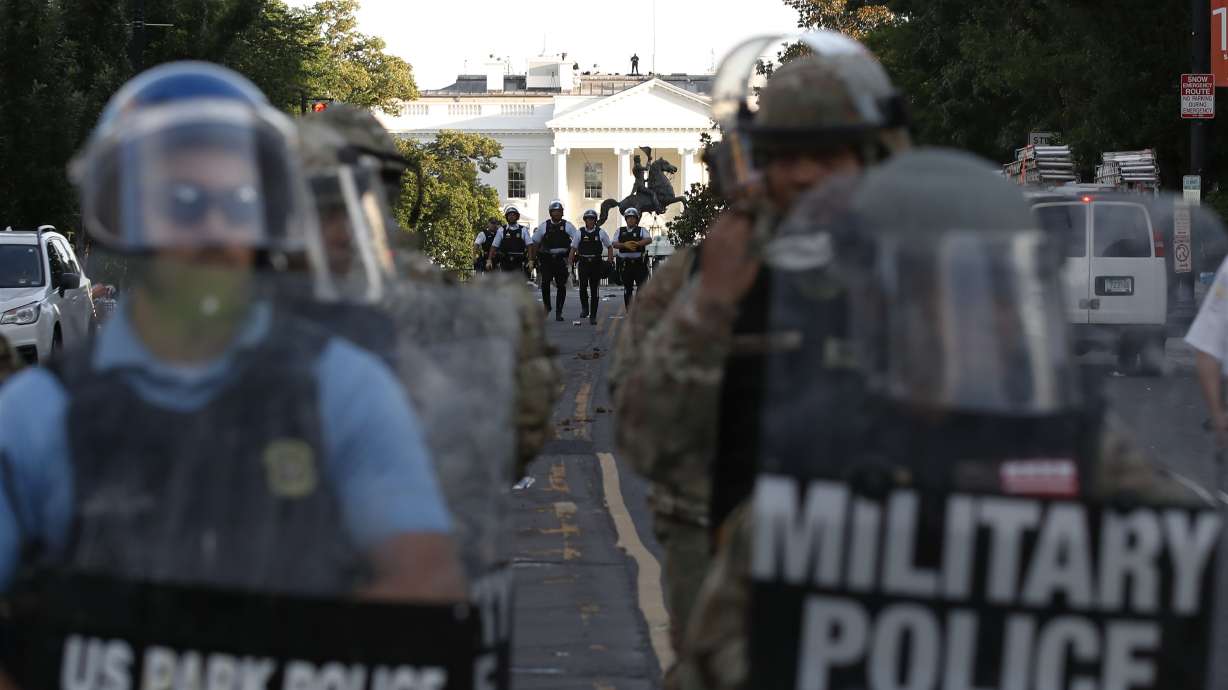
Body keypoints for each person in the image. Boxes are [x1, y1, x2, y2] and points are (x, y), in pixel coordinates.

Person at [676, 148, 1208, 690]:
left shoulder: (1086, 458)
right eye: (939, 297)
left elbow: (1185, 588)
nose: (973, 321)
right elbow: (718, 661)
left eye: (995, 293)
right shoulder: (815, 485)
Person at [0, 63, 465, 606]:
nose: (213, 228)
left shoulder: (344, 390)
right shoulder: (37, 416)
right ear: (119, 212)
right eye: (183, 201)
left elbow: (424, 583)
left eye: (240, 202)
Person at [608, 34, 912, 687]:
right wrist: (713, 305)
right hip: (723, 573)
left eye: (827, 155)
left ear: (870, 158)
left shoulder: (921, 274)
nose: (803, 175)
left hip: (892, 565)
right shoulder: (698, 276)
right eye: (783, 156)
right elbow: (640, 437)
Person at [530, 199, 577, 321]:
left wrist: (573, 256)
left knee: (561, 285)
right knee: (545, 283)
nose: (557, 214)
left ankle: (559, 311)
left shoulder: (568, 225)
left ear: (562, 213)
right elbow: (535, 242)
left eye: (559, 211)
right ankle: (547, 306)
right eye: (554, 211)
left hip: (561, 259)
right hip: (547, 259)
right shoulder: (544, 226)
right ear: (550, 213)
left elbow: (577, 239)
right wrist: (532, 259)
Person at [570, 208, 614, 325]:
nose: (590, 221)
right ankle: (585, 308)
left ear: (595, 221)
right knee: (583, 287)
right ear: (585, 220)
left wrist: (609, 261)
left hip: (596, 263)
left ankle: (593, 316)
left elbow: (609, 246)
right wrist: (570, 265)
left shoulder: (600, 232)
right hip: (583, 263)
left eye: (592, 219)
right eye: (588, 219)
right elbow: (573, 249)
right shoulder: (579, 233)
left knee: (595, 290)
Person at [613, 208, 652, 309]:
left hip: (639, 263)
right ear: (626, 219)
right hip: (626, 264)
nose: (631, 220)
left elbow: (648, 239)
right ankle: (629, 311)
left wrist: (637, 244)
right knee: (628, 289)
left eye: (633, 218)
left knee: (641, 288)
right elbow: (614, 244)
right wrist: (624, 245)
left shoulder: (641, 230)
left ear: (636, 220)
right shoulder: (620, 230)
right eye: (629, 218)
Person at [487, 205, 531, 279]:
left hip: (519, 261)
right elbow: (494, 246)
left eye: (513, 215)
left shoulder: (523, 230)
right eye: (509, 215)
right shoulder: (501, 230)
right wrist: (489, 259)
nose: (511, 217)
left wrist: (530, 260)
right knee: (505, 283)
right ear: (507, 217)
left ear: (517, 217)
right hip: (505, 261)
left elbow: (530, 245)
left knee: (518, 283)